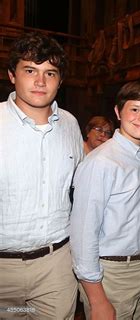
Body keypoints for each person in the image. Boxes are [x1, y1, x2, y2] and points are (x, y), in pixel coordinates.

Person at [0, 32, 83, 319]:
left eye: (50, 73)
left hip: (55, 270)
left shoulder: (71, 125)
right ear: (12, 75)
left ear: (60, 81)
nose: (40, 81)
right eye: (30, 71)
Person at [70, 81, 140, 320]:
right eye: (135, 109)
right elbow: (83, 234)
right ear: (118, 112)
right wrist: (97, 297)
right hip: (112, 275)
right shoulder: (101, 162)